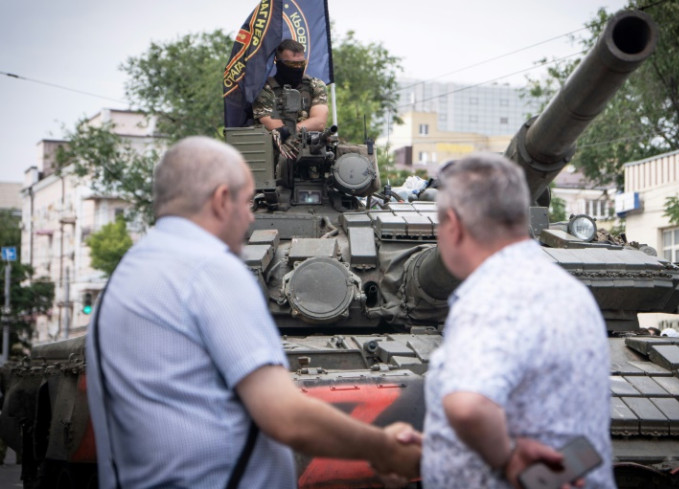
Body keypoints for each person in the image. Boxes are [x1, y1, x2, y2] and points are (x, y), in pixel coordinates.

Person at [85, 136, 420, 489]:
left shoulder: (127, 275)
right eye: (247, 203)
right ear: (220, 200)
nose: (251, 219)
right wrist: (382, 447)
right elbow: (286, 416)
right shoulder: (209, 271)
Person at [422, 153, 614, 488]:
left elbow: (468, 406)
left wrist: (508, 456)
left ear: (453, 224)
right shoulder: (570, 290)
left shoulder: (492, 294)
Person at [252, 39, 328, 160]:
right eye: (292, 64)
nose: (297, 68)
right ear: (278, 62)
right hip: (273, 158)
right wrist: (303, 128)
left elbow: (319, 122)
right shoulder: (265, 89)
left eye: (301, 64)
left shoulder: (315, 85)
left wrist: (292, 130)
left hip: (309, 156)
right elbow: (272, 124)